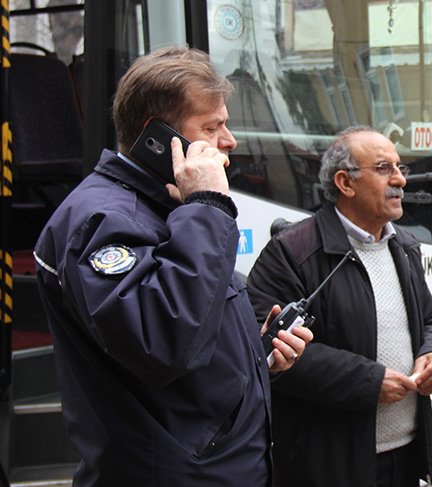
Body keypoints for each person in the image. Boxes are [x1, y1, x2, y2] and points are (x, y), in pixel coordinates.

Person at [32, 46, 312, 486]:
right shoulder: (102, 219)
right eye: (212, 126)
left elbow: (189, 335)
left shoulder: (169, 205)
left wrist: (257, 356)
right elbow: (162, 342)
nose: (230, 140)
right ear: (156, 137)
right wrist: (207, 204)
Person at [246, 126, 432, 487]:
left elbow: (429, 319)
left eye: (400, 167)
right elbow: (265, 350)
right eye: (384, 168)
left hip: (405, 457)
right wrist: (368, 381)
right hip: (328, 465)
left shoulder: (403, 246)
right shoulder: (292, 252)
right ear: (345, 182)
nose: (400, 180)